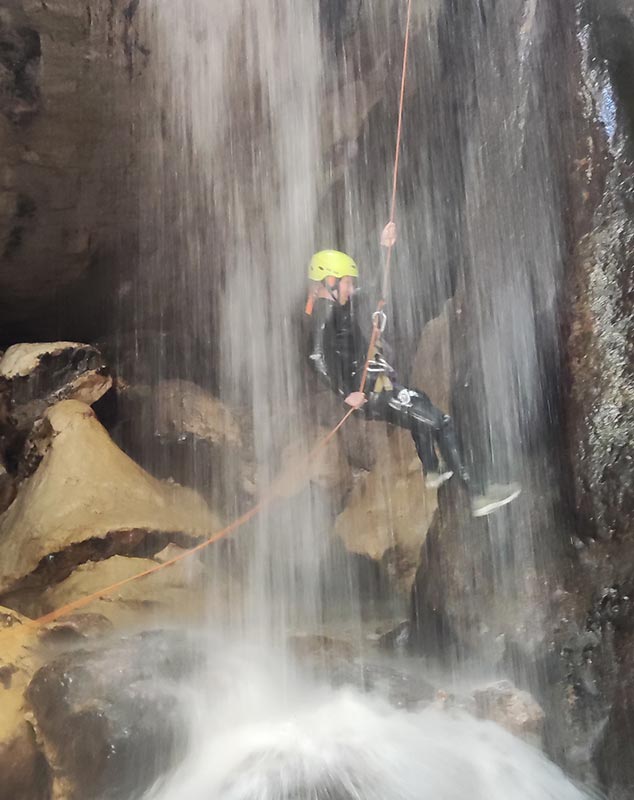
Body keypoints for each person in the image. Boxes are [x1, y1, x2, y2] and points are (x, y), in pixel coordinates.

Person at [305, 247, 520, 517]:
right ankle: (477, 494)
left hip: (376, 385)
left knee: (420, 404)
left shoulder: (338, 307)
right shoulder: (325, 317)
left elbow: (371, 289)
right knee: (441, 421)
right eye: (347, 282)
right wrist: (346, 393)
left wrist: (385, 249)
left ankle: (431, 469)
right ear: (330, 281)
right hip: (371, 391)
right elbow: (316, 358)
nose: (351, 287)